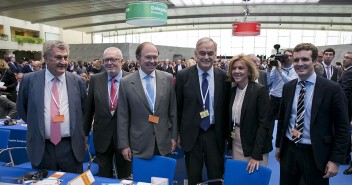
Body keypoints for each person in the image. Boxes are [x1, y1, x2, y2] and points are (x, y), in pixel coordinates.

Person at [275, 43, 350, 185]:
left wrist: (335, 160)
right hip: (289, 150)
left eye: (305, 59)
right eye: (296, 60)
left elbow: (342, 128)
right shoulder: (288, 87)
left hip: (316, 153)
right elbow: (282, 119)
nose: (300, 64)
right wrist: (279, 145)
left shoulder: (332, 89)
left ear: (315, 61)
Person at [17, 40, 87, 173]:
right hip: (42, 147)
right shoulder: (29, 80)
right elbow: (22, 109)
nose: (63, 62)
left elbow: (84, 110)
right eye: (58, 57)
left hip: (71, 147)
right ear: (46, 58)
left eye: (65, 57)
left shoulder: (78, 81)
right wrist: (39, 124)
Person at [176, 37, 229, 185]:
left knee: (216, 176)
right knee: (193, 177)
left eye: (210, 53)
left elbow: (226, 109)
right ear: (196, 54)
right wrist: (178, 133)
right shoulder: (183, 76)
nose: (206, 57)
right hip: (191, 133)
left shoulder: (224, 77)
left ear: (216, 54)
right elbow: (178, 107)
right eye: (202, 53)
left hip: (214, 133)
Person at [117, 42, 177, 161]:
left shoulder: (168, 79)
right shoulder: (126, 83)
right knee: (141, 180)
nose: (152, 61)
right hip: (139, 145)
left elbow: (173, 112)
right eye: (148, 57)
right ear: (138, 58)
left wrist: (174, 136)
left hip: (164, 143)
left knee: (163, 180)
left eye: (155, 57)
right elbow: (123, 117)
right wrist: (124, 145)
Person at [83, 47, 131, 178]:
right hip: (102, 137)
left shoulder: (132, 79)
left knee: (125, 177)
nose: (109, 63)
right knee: (104, 176)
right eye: (106, 60)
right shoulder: (95, 80)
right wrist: (85, 133)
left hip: (125, 139)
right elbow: (89, 110)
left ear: (121, 61)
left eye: (113, 59)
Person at [227, 54, 272, 173]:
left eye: (241, 68)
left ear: (249, 71)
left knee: (254, 180)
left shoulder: (259, 90)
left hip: (256, 144)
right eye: (234, 68)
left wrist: (256, 154)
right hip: (237, 141)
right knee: (240, 178)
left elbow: (265, 125)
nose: (237, 71)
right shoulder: (232, 91)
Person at [267, 49, 298, 126]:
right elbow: (269, 81)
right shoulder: (276, 67)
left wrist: (280, 71)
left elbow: (290, 83)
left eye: (291, 56)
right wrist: (269, 70)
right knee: (269, 120)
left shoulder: (295, 69)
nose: (289, 58)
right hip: (274, 97)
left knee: (283, 119)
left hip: (286, 98)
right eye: (286, 56)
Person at [338, 51, 352, 175]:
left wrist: (339, 106)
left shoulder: (350, 72)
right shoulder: (345, 70)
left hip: (346, 108)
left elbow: (345, 90)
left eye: (348, 58)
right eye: (344, 57)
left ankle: (345, 157)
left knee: (344, 131)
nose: (345, 59)